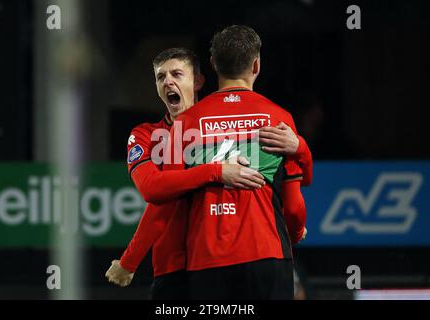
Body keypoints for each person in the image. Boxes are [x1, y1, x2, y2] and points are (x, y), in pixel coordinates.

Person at [106, 47, 312, 299]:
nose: (168, 81)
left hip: (216, 261)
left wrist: (300, 146)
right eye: (161, 77)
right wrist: (216, 171)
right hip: (172, 269)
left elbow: (294, 178)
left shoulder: (224, 125)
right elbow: (154, 191)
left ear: (198, 81)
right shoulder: (145, 136)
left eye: (177, 74)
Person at [163, 25, 308, 300]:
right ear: (256, 65)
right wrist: (296, 230)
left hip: (206, 261)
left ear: (214, 64)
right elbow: (294, 205)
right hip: (267, 254)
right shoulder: (279, 119)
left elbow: (167, 193)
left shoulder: (183, 124)